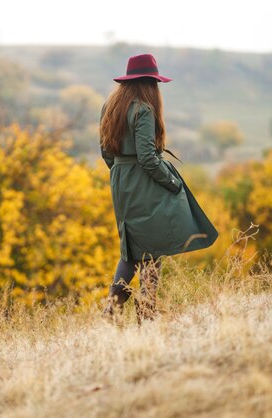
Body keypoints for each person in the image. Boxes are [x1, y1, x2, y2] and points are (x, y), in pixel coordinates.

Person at [99, 53, 219, 323]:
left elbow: (106, 152)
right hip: (143, 182)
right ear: (150, 83)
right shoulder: (143, 109)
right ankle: (145, 314)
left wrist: (122, 175)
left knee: (131, 249)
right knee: (151, 248)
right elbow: (148, 157)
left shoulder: (110, 105)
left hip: (121, 182)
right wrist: (172, 181)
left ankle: (113, 313)